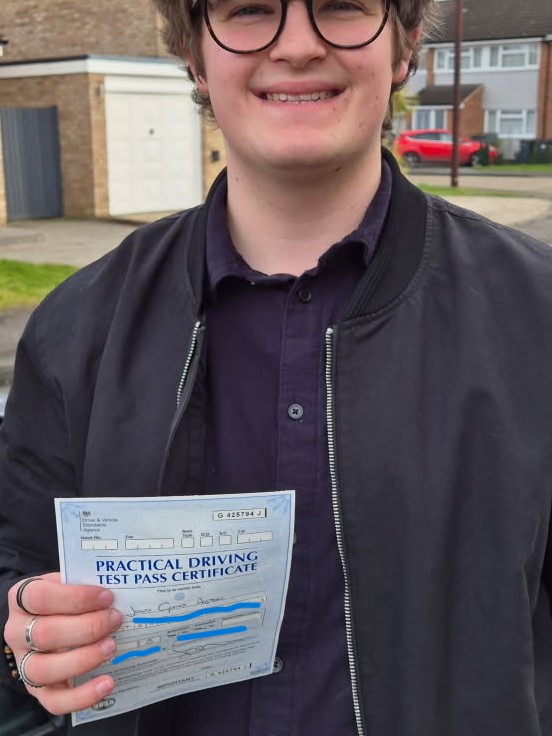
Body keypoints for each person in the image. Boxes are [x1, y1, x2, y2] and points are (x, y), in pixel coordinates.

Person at [2, 0, 552, 733]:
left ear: (404, 44)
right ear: (193, 51)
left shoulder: (536, 314)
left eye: (342, 7)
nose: (297, 46)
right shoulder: (76, 329)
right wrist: (26, 633)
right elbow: (18, 560)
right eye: (252, 9)